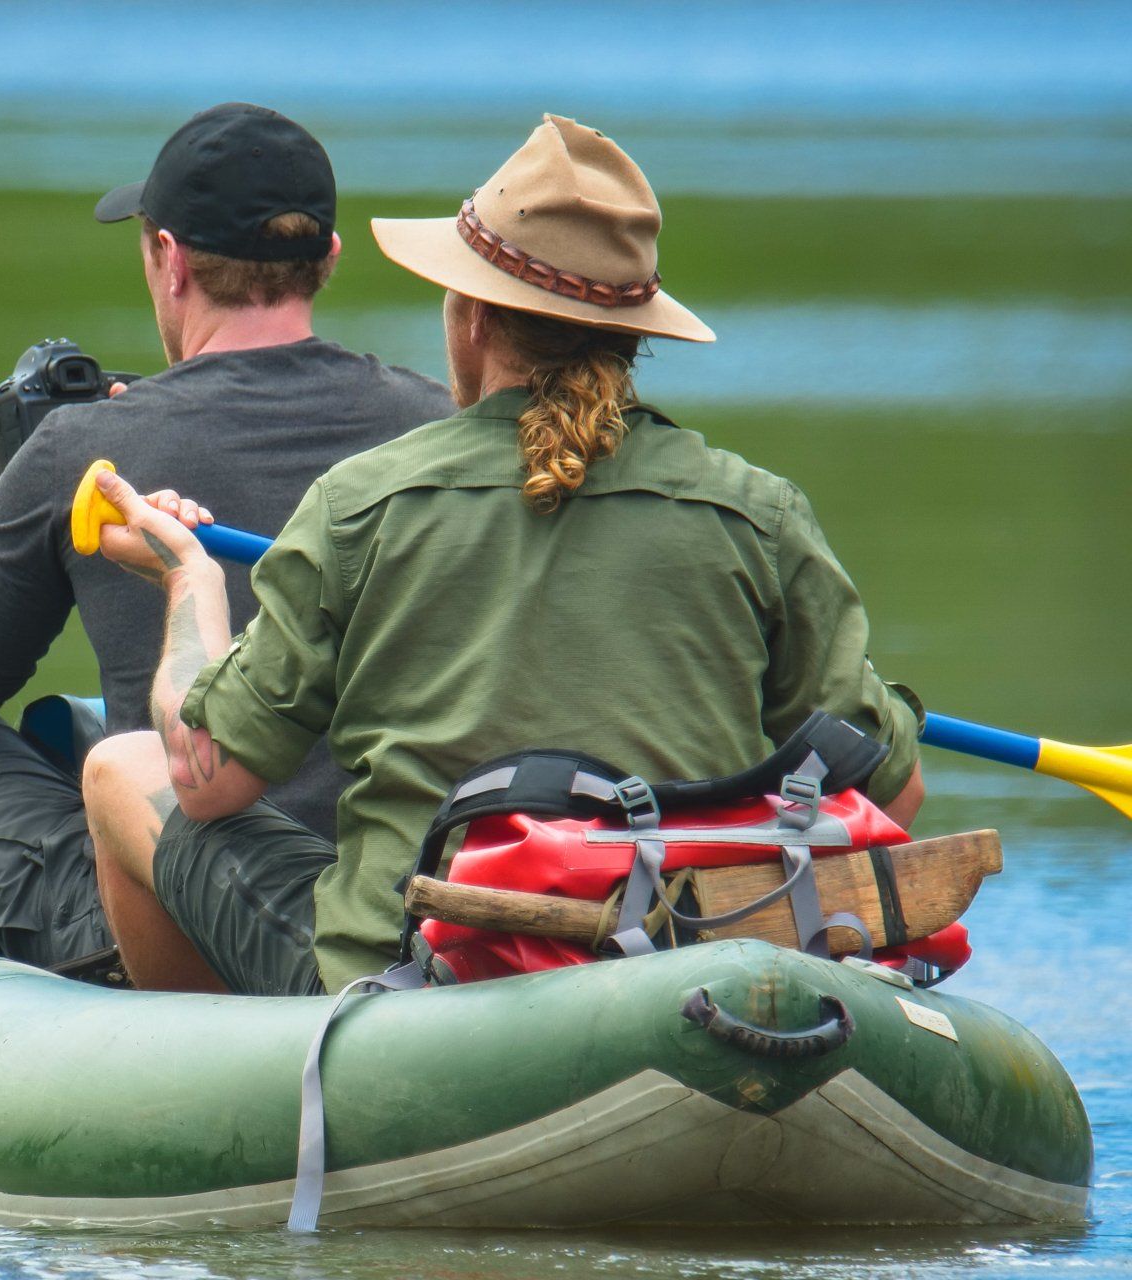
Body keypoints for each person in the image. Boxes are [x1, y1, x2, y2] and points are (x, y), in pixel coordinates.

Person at [81, 113, 926, 996]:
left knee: (122, 769)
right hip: (681, 964)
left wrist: (191, 582)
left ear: (474, 314)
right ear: (635, 334)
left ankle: (223, 1083)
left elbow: (206, 778)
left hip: (412, 977)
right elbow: (888, 800)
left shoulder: (358, 504)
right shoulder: (760, 514)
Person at [0, 103, 455, 972]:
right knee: (79, 735)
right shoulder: (438, 425)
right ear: (326, 258)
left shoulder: (85, 451)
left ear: (169, 260)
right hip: (391, 904)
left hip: (172, 907)